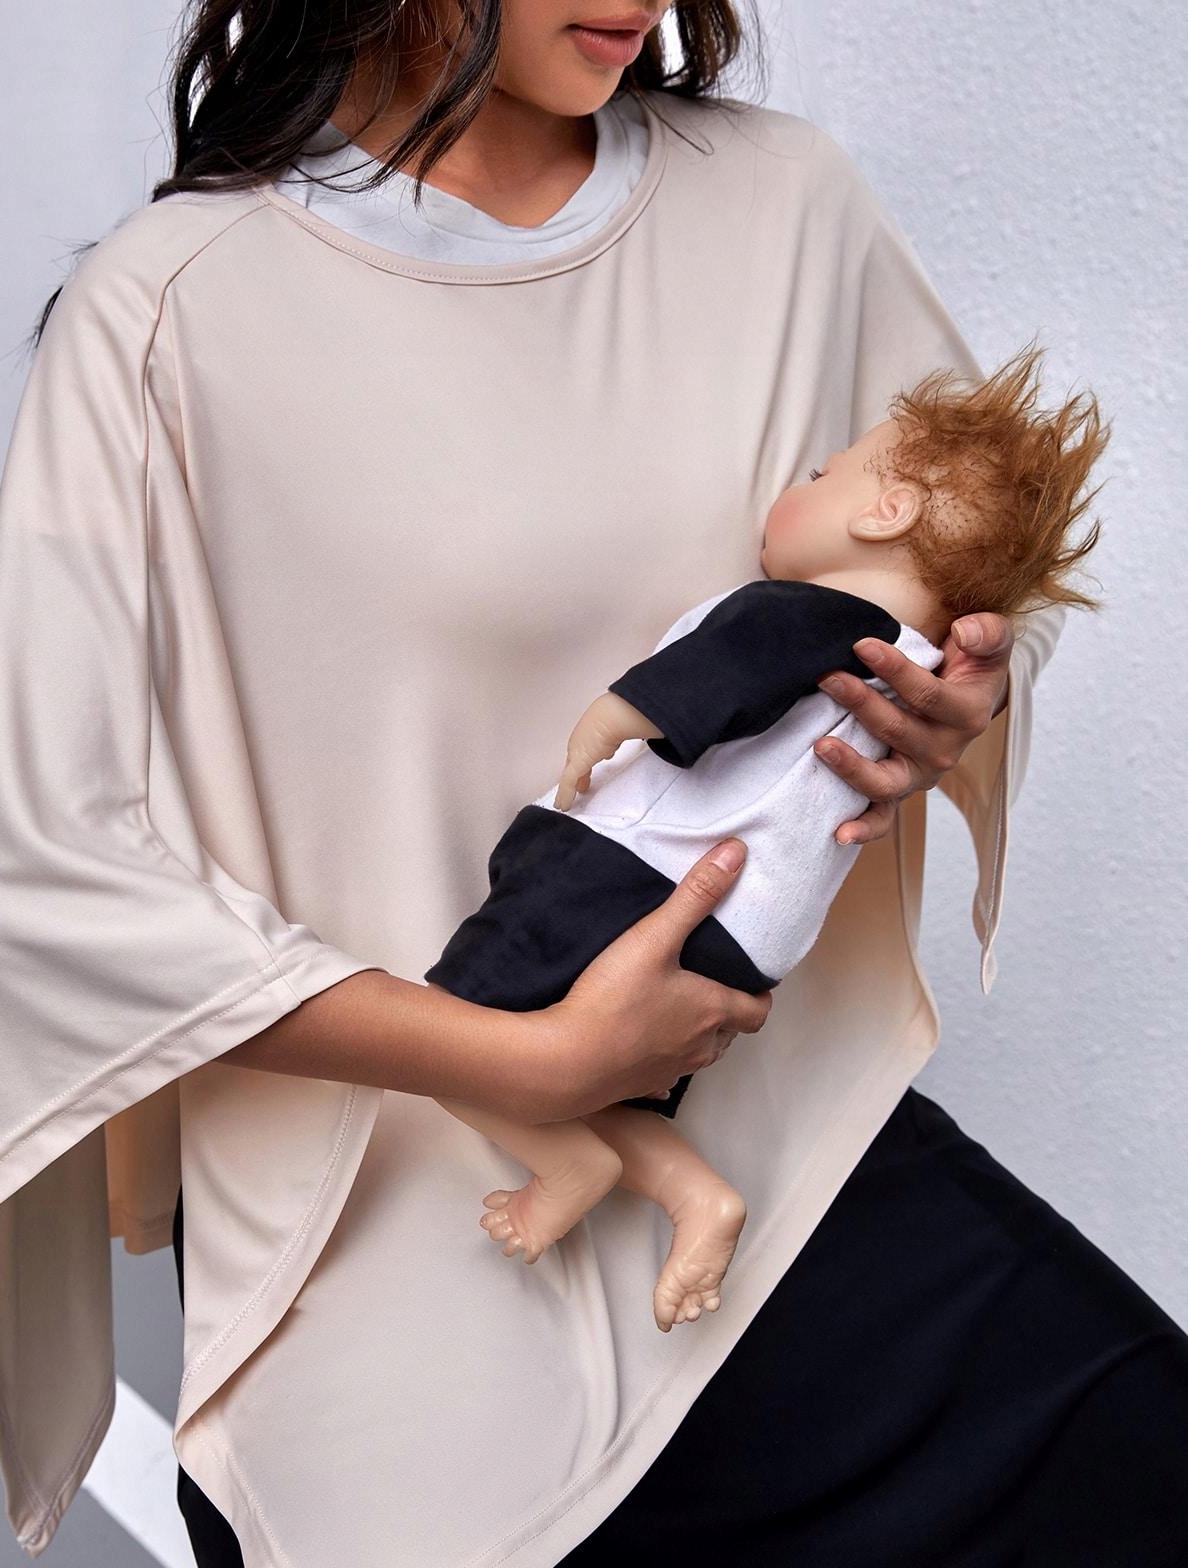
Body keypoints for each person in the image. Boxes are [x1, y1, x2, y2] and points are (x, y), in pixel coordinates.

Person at [0, 4, 1188, 1568]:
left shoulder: (785, 210)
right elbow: (46, 863)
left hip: (763, 1161)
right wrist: (516, 1062)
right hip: (369, 1222)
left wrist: (954, 695)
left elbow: (968, 595)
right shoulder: (174, 307)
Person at [424, 347, 1108, 1337]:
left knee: (458, 1023)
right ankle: (692, 1192)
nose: (801, 481)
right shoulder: (910, 683)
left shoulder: (814, 619)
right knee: (595, 1071)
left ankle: (568, 1164)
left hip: (641, 874)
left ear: (885, 513)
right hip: (742, 943)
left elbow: (725, 668)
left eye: (824, 473)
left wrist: (614, 718)